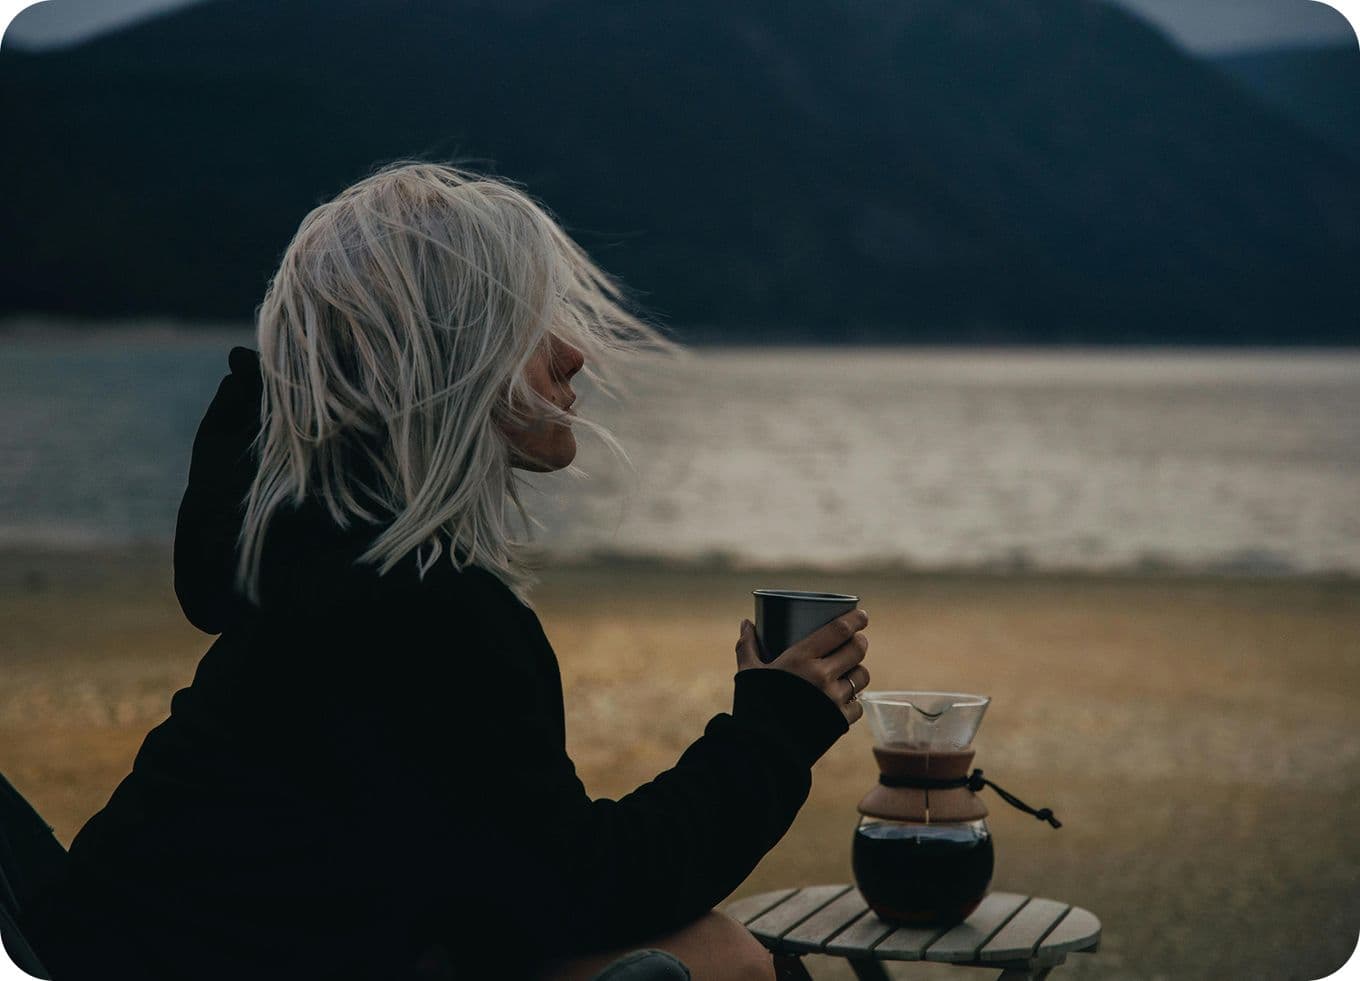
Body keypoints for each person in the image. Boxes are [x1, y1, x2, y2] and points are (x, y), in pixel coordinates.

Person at [24, 162, 870, 980]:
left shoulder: (309, 562)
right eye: (535, 323)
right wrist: (776, 730)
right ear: (450, 356)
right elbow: (580, 892)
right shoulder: (427, 612)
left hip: (106, 944)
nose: (573, 355)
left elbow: (487, 878)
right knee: (726, 959)